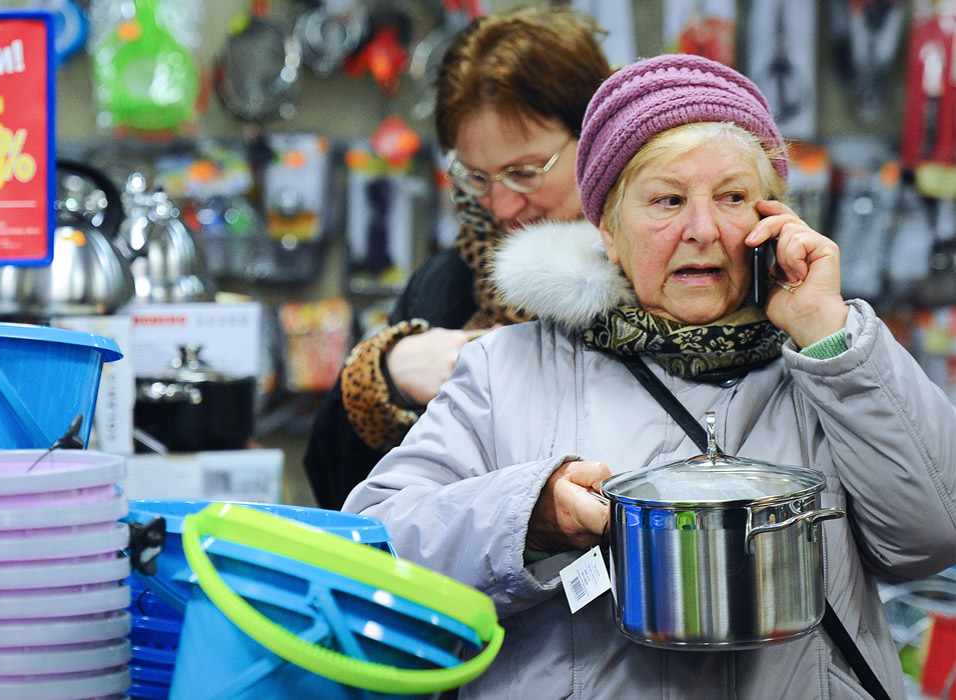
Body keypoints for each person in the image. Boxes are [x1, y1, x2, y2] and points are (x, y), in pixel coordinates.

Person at [343, 53, 956, 699]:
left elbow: (931, 538)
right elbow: (375, 553)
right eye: (666, 200)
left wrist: (827, 335)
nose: (701, 229)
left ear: (770, 217)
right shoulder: (507, 368)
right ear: (607, 228)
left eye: (733, 198)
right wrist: (526, 518)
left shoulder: (829, 359)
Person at [302, 6, 613, 509]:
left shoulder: (666, 269)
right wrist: (385, 379)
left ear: (599, 137)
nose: (503, 205)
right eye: (478, 177)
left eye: (527, 171)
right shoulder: (450, 281)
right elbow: (341, 496)